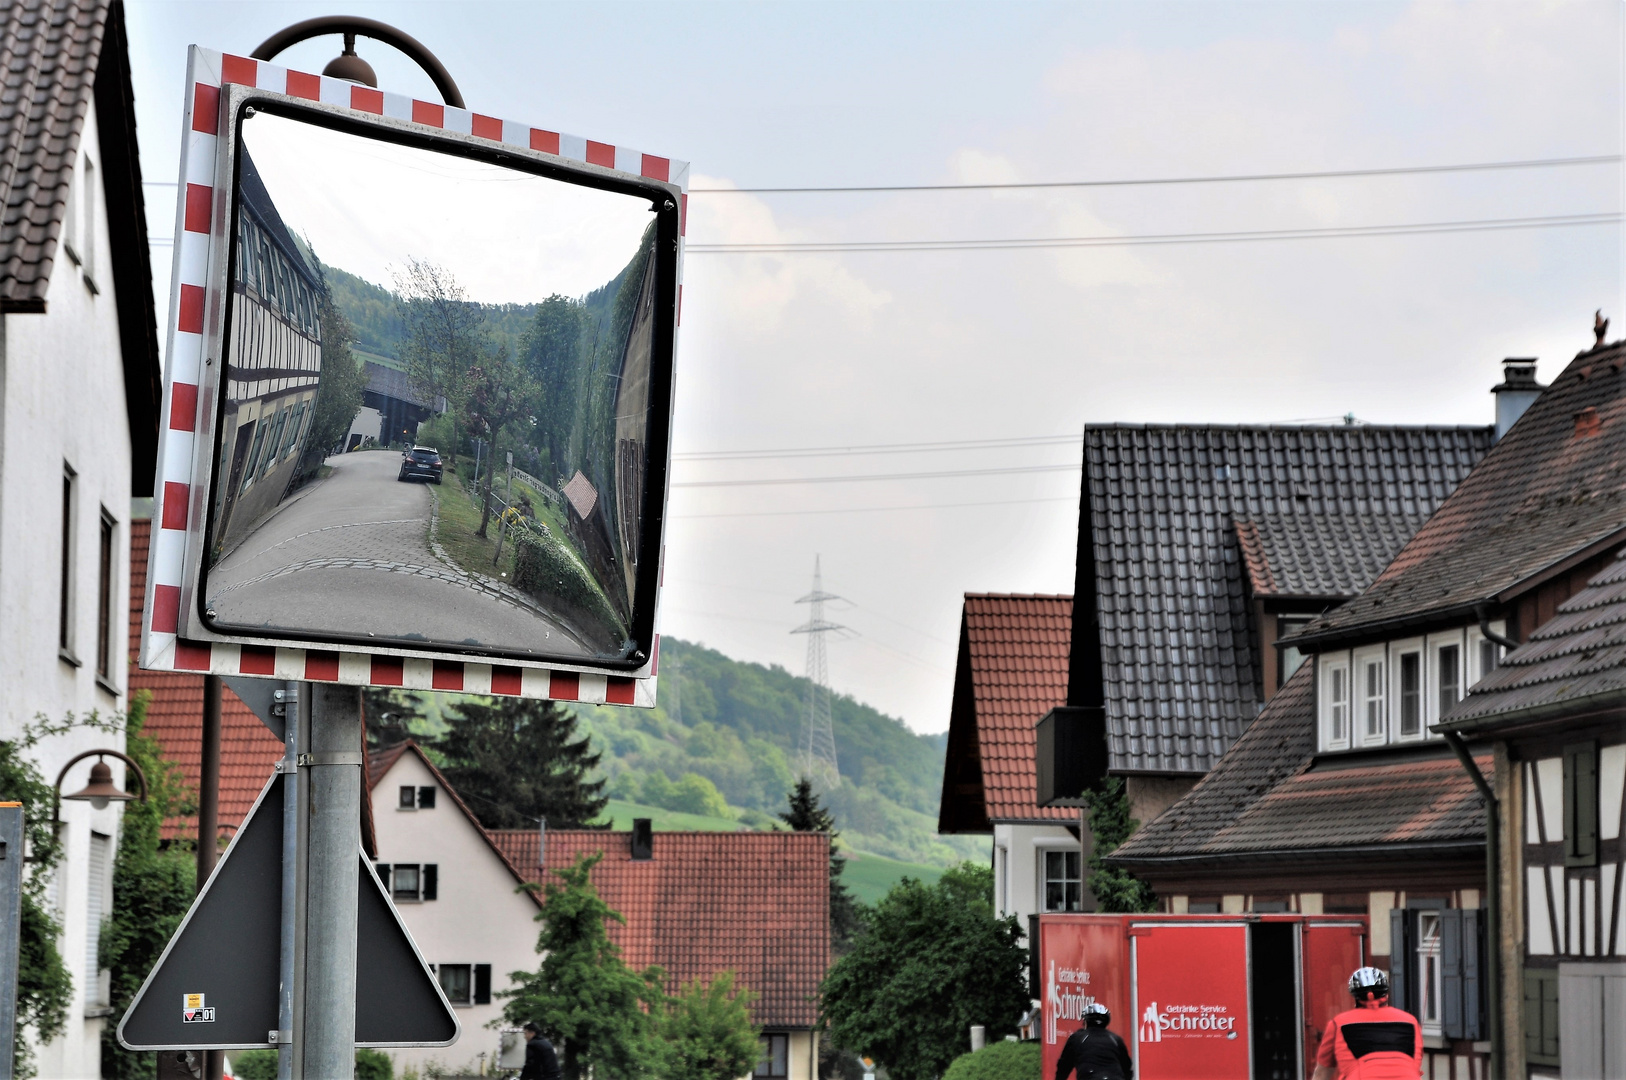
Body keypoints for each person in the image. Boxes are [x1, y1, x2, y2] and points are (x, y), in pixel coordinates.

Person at [1311, 967, 1423, 1080]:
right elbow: (1415, 1062)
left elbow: (1321, 1073)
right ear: (1386, 994)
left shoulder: (1339, 1023)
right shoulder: (1410, 1021)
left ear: (1355, 996)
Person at [1055, 1002, 1133, 1080]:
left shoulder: (1077, 1038)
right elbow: (1127, 1067)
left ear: (1086, 1021)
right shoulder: (1115, 1039)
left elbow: (1064, 1066)